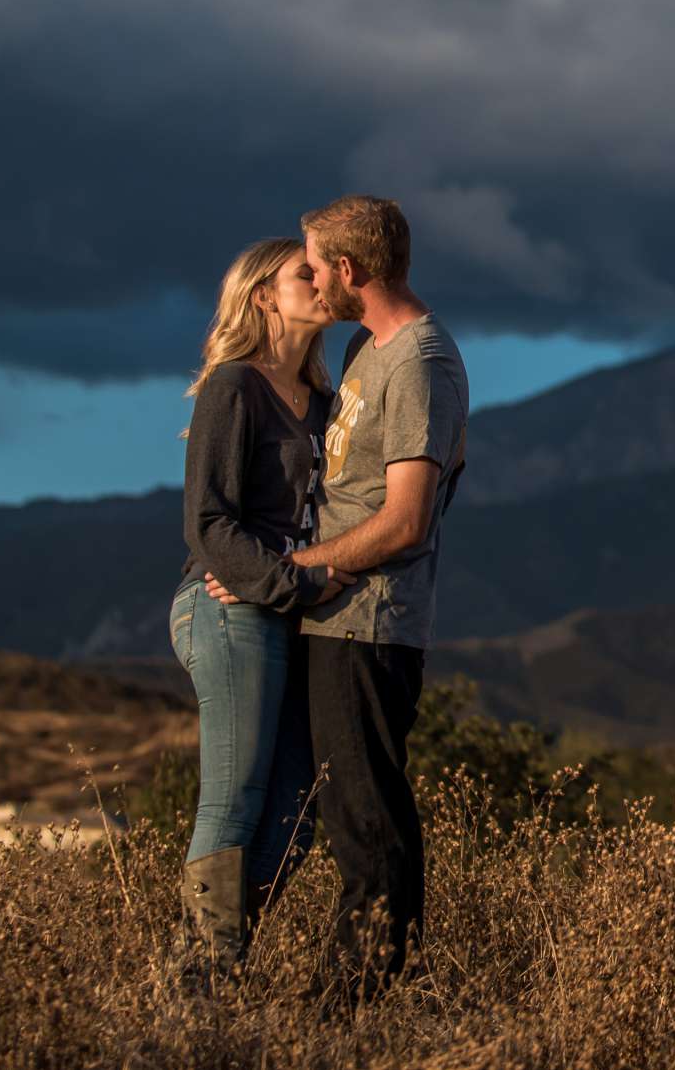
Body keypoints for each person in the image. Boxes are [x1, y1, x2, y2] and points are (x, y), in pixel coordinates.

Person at [210, 193, 467, 999]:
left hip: (372, 624)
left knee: (368, 821)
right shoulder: (365, 348)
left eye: (317, 266)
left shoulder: (420, 360)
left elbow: (408, 520)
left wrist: (299, 564)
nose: (312, 279)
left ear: (350, 270)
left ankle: (354, 1007)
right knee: (334, 813)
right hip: (330, 616)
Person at [169, 237, 349, 981]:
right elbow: (209, 525)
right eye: (303, 272)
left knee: (299, 806)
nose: (320, 280)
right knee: (236, 795)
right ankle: (196, 983)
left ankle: (217, 962)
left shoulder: (330, 405)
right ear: (264, 297)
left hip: (293, 612)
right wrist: (288, 584)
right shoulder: (233, 390)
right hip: (229, 606)